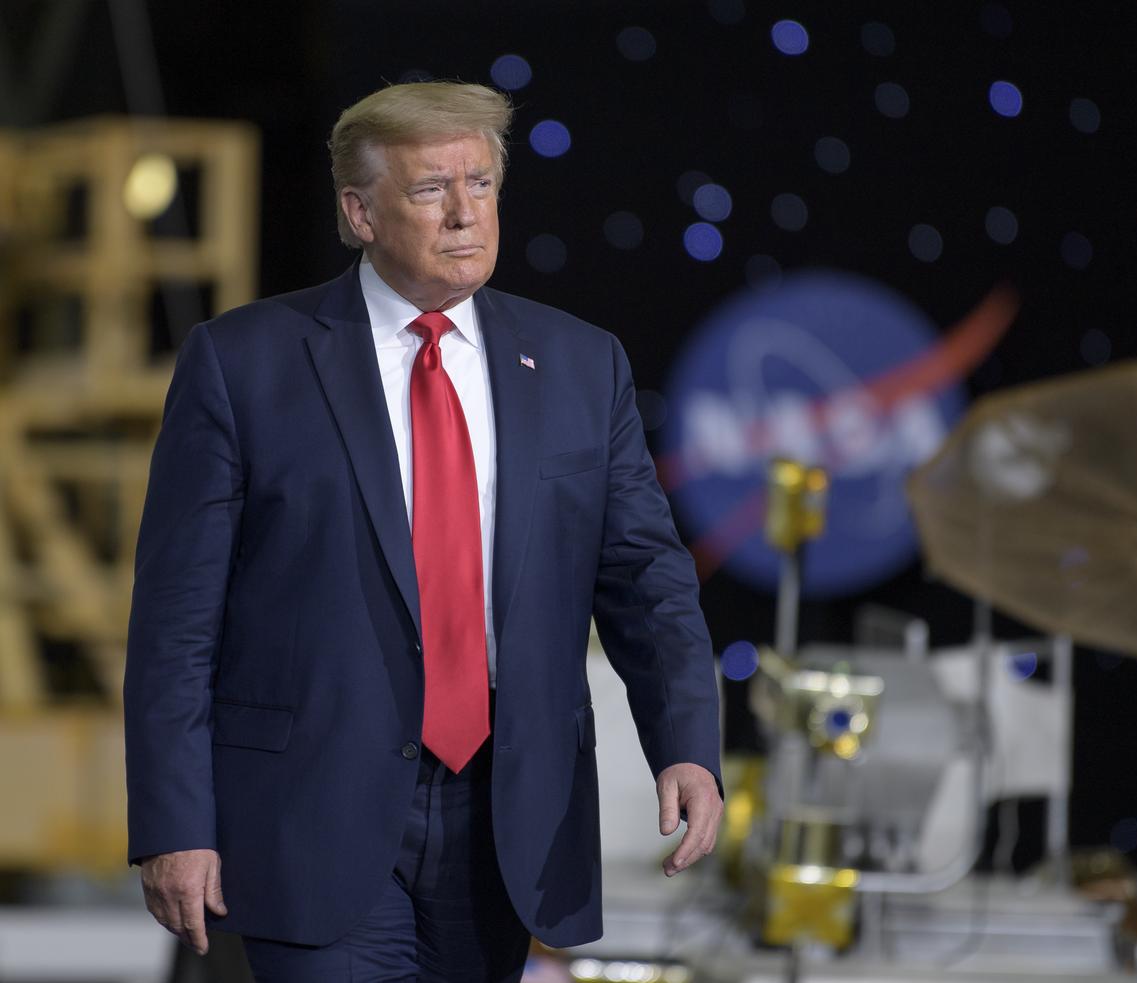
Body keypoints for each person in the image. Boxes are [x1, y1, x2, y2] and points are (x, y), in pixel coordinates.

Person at [124, 80, 723, 982]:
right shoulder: (242, 362)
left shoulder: (580, 362)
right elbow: (176, 620)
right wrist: (174, 823)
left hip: (506, 816)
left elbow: (647, 578)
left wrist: (685, 744)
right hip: (312, 810)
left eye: (480, 184)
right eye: (431, 189)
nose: (464, 214)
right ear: (359, 213)